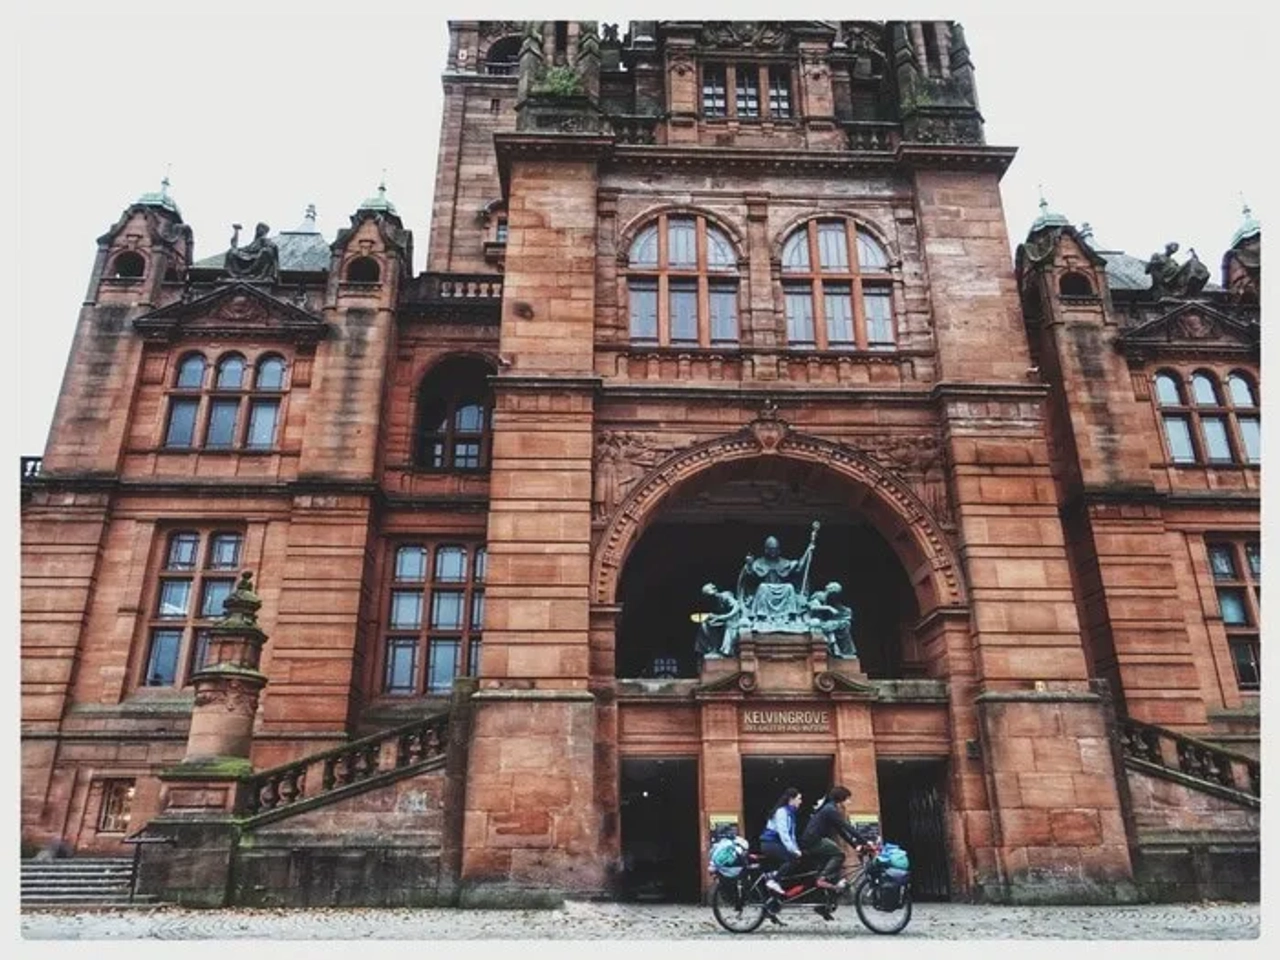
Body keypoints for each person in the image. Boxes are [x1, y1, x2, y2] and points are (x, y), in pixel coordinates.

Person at [800, 785, 872, 919]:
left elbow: (841, 831)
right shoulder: (830, 809)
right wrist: (865, 842)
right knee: (839, 854)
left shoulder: (830, 809)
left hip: (813, 841)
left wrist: (855, 845)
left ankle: (822, 904)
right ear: (842, 799)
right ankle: (823, 879)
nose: (849, 802)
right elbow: (847, 827)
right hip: (813, 841)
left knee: (831, 872)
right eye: (848, 799)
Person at [758, 787, 803, 897]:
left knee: (795, 860)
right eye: (799, 798)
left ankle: (773, 878)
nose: (801, 801)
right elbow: (784, 834)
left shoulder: (790, 813)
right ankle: (774, 880)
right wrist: (793, 850)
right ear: (791, 799)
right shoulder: (781, 812)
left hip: (775, 843)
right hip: (770, 844)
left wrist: (796, 849)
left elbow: (792, 835)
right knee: (791, 860)